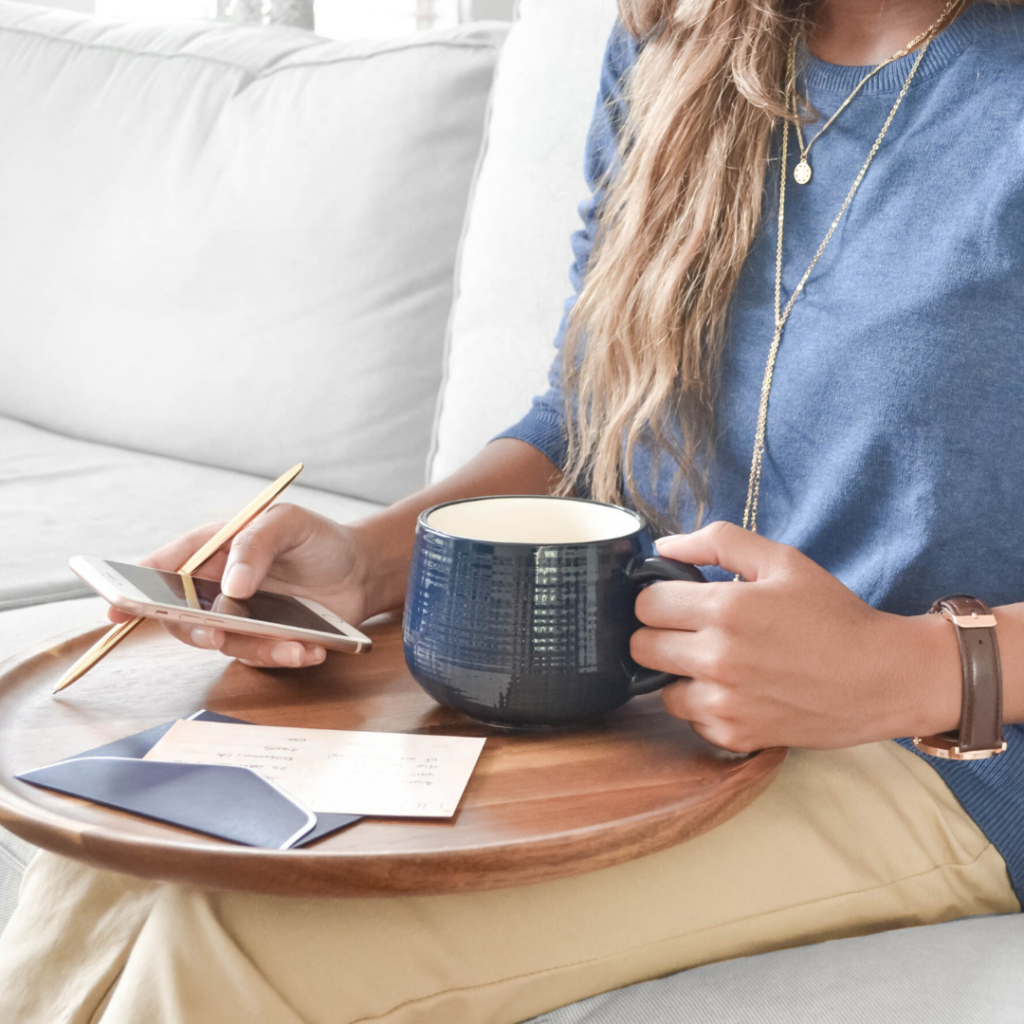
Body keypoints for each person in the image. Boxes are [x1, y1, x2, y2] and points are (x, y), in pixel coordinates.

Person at [3, 0, 1023, 1020]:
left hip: (943, 753)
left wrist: (914, 668)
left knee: (224, 933)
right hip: (633, 699)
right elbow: (591, 416)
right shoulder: (681, 37)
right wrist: (372, 561)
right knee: (119, 864)